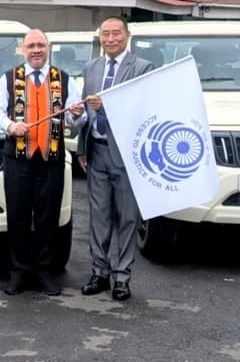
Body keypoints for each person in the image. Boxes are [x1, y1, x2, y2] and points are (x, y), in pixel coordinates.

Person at [0, 29, 84, 296]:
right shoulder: (9, 78)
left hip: (51, 158)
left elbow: (75, 118)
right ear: (23, 50)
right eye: (31, 46)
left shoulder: (64, 79)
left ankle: (44, 271)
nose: (36, 50)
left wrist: (77, 114)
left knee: (47, 217)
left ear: (48, 47)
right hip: (18, 159)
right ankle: (18, 271)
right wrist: (9, 125)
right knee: (17, 216)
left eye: (41, 45)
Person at [76, 17, 154, 302]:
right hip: (96, 150)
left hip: (127, 153)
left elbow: (144, 108)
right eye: (105, 34)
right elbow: (86, 112)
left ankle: (122, 277)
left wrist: (108, 105)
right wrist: (82, 147)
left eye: (115, 34)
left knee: (127, 218)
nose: (110, 39)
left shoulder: (142, 68)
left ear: (127, 36)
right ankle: (100, 272)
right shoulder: (91, 67)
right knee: (99, 217)